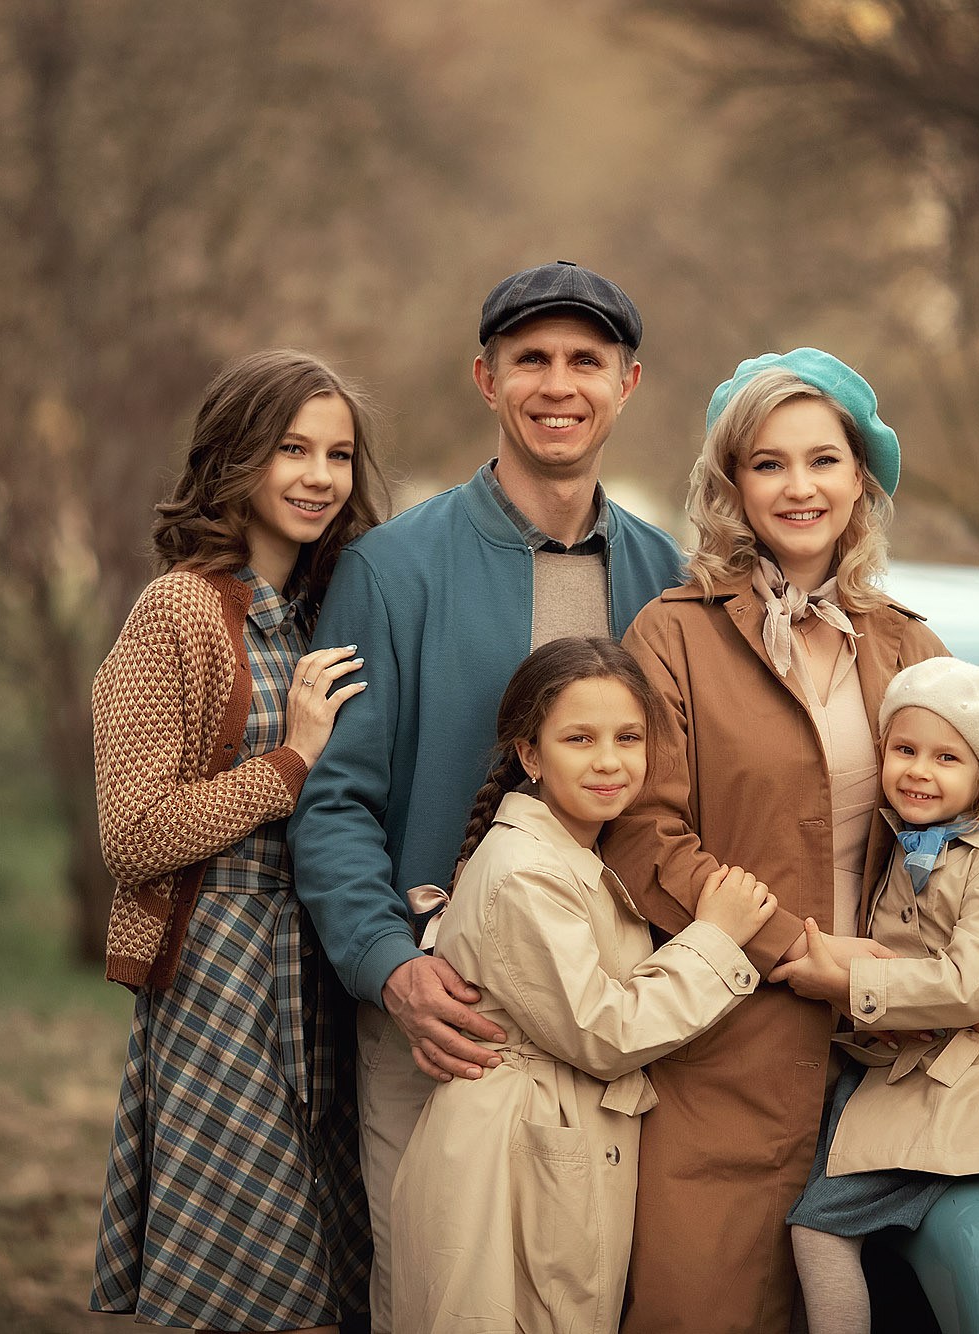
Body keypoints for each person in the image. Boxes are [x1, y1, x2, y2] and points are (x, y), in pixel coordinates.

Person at [601, 348, 979, 1333]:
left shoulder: (908, 642)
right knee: (701, 1308)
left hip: (899, 1065)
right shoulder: (671, 633)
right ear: (729, 482)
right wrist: (794, 947)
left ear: (861, 476)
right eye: (766, 462)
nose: (797, 485)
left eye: (822, 459)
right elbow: (644, 834)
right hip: (720, 1052)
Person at [287, 262, 687, 1331]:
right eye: (530, 360)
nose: (557, 384)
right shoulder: (391, 568)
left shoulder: (667, 579)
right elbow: (332, 805)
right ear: (485, 377)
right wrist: (393, 971)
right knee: (436, 1299)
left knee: (586, 1300)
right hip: (442, 1020)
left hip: (606, 1019)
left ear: (627, 382)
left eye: (584, 361)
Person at [87, 349, 385, 1333]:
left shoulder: (332, 608)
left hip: (329, 977)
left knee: (342, 1285)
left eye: (338, 453)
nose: (318, 474)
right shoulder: (175, 610)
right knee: (249, 1294)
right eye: (291, 447)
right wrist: (289, 760)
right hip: (222, 978)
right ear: (234, 457)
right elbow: (133, 834)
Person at [388, 636, 774, 1333]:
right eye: (579, 738)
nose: (608, 760)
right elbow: (603, 1029)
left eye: (629, 737)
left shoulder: (569, 854)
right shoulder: (526, 871)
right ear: (530, 755)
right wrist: (716, 936)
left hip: (541, 1145)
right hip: (506, 1162)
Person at [769, 656, 979, 1334]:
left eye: (947, 757)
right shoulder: (912, 842)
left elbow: (969, 982)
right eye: (904, 750)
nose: (919, 770)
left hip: (973, 1079)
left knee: (820, 1229)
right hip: (911, 1067)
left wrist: (848, 981)